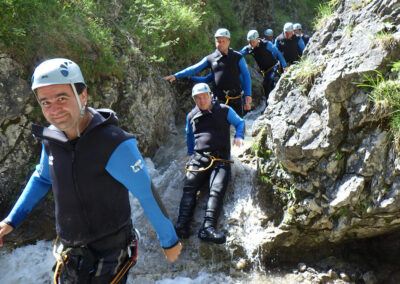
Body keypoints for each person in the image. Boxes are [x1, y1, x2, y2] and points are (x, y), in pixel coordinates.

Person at [0, 58, 182, 283]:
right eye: (45, 102)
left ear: (82, 96)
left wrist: (169, 241)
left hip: (110, 250)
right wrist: (11, 220)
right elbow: (42, 177)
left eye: (62, 98)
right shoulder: (52, 138)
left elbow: (146, 193)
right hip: (70, 249)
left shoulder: (115, 144)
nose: (54, 110)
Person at [175, 83, 244, 244]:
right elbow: (189, 135)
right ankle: (181, 226)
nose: (200, 100)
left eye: (203, 96)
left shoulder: (224, 110)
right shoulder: (191, 115)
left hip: (220, 159)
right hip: (199, 158)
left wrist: (239, 135)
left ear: (210, 95)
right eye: (197, 98)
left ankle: (207, 228)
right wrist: (190, 153)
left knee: (217, 189)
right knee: (189, 187)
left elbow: (240, 122)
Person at [163, 28, 252, 118]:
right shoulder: (211, 58)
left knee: (239, 125)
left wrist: (248, 95)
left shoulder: (237, 57)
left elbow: (246, 75)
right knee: (219, 127)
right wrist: (176, 75)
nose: (220, 44)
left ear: (228, 41)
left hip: (235, 98)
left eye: (223, 41)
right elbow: (194, 68)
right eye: (218, 41)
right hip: (218, 99)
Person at [240, 30, 288, 104]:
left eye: (253, 41)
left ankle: (270, 104)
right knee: (266, 86)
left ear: (257, 39)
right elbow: (239, 54)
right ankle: (269, 104)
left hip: (273, 68)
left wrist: (284, 65)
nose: (251, 44)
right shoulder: (249, 48)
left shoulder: (266, 44)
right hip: (264, 72)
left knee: (267, 84)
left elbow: (278, 53)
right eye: (250, 42)